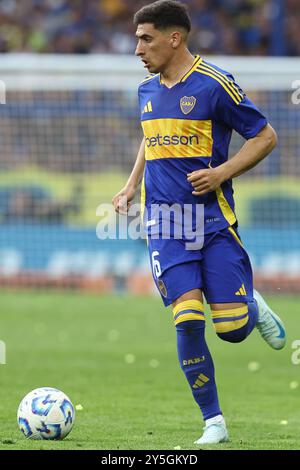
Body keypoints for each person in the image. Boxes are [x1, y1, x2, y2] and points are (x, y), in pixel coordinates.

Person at [112, 0, 286, 445]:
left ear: (175, 38)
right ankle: (214, 422)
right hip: (166, 225)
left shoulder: (214, 85)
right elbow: (150, 140)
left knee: (230, 331)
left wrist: (222, 173)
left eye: (145, 38)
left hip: (212, 222)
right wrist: (131, 185)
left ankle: (251, 305)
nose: (137, 49)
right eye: (136, 39)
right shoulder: (146, 90)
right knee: (187, 318)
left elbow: (265, 135)